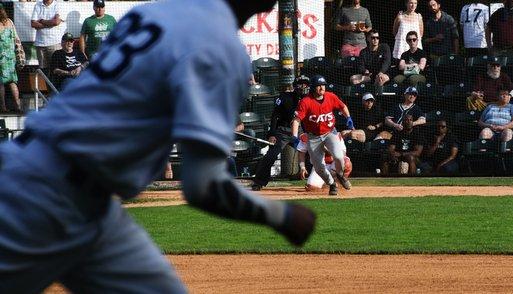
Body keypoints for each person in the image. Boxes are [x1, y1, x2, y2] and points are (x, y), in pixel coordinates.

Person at [0, 0, 316, 292]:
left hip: (72, 192)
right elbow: (203, 186)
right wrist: (282, 217)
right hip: (40, 198)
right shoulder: (220, 47)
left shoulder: (154, 12)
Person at [291, 75, 353, 196]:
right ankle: (332, 184)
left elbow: (342, 107)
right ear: (313, 88)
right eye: (319, 85)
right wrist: (294, 136)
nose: (322, 88)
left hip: (330, 132)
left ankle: (340, 176)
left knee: (339, 156)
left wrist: (348, 117)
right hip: (313, 137)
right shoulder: (306, 101)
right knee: (318, 167)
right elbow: (296, 120)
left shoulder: (330, 96)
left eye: (323, 85)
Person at [251, 75, 310, 191]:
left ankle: (316, 181)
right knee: (271, 155)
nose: (303, 86)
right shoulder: (284, 97)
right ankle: (259, 182)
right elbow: (275, 116)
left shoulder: (310, 99)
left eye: (305, 84)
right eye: (300, 84)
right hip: (283, 131)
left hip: (301, 131)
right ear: (294, 86)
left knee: (313, 153)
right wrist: (272, 134)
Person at [0, 4, 24, 113]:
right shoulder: (10, 22)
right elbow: (16, 38)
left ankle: (3, 107)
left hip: (1, 57)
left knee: (1, 83)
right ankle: (18, 106)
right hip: (11, 57)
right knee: (12, 81)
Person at [30, 0, 63, 71]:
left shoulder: (57, 5)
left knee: (56, 69)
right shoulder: (37, 5)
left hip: (54, 43)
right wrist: (50, 24)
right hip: (40, 44)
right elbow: (33, 24)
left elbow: (56, 22)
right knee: (44, 71)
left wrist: (41, 21)